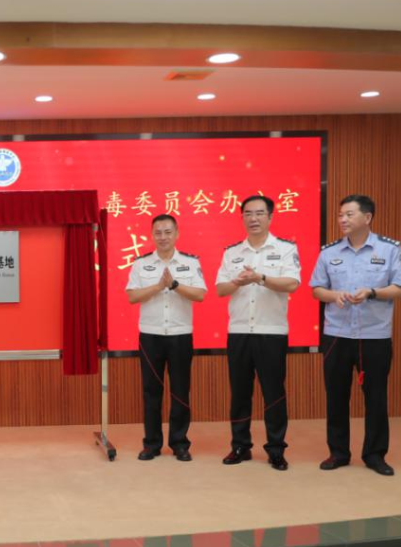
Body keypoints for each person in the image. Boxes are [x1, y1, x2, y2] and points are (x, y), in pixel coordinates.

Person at [310, 194, 401, 476]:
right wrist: (334, 295)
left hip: (374, 335)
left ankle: (375, 455)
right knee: (336, 396)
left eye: (349, 214)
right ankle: (338, 452)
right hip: (337, 335)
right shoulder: (329, 252)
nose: (342, 219)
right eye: (340, 215)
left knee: (376, 397)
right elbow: (317, 289)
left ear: (367, 217)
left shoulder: (389, 249)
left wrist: (372, 292)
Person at [216, 195, 301, 471]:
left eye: (259, 213)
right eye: (248, 214)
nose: (253, 218)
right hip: (239, 331)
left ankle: (276, 449)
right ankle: (240, 446)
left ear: (270, 217)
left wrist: (261, 278)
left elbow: (292, 284)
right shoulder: (232, 252)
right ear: (242, 217)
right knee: (240, 393)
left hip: (271, 331)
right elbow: (220, 290)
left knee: (273, 393)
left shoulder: (285, 249)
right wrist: (238, 281)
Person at [125, 214, 207, 461]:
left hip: (181, 335)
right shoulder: (141, 264)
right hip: (151, 335)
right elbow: (132, 296)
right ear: (152, 235)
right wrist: (158, 286)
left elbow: (200, 295)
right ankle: (151, 444)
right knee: (151, 392)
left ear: (177, 234)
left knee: (180, 391)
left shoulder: (190, 262)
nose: (163, 237)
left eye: (168, 232)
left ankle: (180, 443)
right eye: (158, 232)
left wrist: (174, 285)